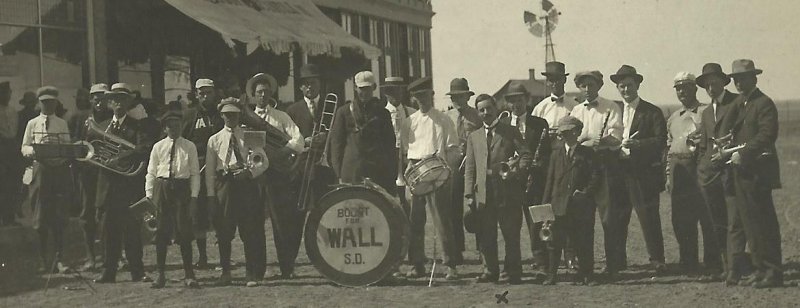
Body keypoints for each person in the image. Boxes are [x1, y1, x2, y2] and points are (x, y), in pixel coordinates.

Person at [719, 59, 782, 288]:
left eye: (743, 78)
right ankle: (759, 268)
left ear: (754, 78)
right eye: (735, 79)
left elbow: (767, 136)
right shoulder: (742, 103)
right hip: (742, 172)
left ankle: (773, 272)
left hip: (758, 172)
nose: (738, 83)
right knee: (749, 224)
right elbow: (730, 130)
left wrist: (742, 154)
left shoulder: (763, 103)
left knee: (763, 223)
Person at [464, 94, 532, 284]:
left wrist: (515, 171)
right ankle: (490, 271)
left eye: (489, 108)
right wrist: (469, 194)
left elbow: (526, 155)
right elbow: (470, 168)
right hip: (484, 193)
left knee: (510, 233)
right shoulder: (474, 137)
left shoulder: (510, 131)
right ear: (478, 113)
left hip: (507, 192)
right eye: (481, 110)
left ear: (496, 108)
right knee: (486, 235)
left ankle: (513, 271)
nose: (486, 113)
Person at [400, 77, 460, 280]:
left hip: (438, 172)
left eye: (425, 95)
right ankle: (417, 264)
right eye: (417, 97)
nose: (422, 100)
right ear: (413, 99)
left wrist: (444, 171)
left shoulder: (444, 120)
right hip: (416, 173)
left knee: (442, 220)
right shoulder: (410, 121)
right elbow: (406, 151)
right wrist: (410, 173)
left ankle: (450, 264)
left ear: (432, 95)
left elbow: (453, 149)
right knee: (415, 221)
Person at [609, 65, 667, 276]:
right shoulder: (612, 110)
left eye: (629, 86)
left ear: (638, 85)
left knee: (648, 217)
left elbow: (661, 140)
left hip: (642, 174)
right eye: (621, 86)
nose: (625, 90)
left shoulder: (652, 111)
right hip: (618, 172)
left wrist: (638, 145)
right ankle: (617, 261)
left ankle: (657, 260)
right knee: (617, 218)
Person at [205, 98, 269, 287]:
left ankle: (251, 274)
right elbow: (209, 171)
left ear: (239, 115)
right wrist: (210, 194)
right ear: (221, 115)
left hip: (245, 185)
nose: (230, 118)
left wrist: (250, 172)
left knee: (248, 230)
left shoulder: (249, 135)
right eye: (227, 115)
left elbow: (263, 161)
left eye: (234, 114)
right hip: (224, 185)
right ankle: (225, 272)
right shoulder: (214, 139)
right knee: (224, 230)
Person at [94, 83, 154, 284]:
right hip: (107, 187)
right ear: (110, 103)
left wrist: (120, 158)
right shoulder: (101, 127)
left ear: (128, 102)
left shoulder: (137, 126)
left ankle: (137, 271)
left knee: (132, 231)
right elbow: (91, 150)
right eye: (115, 99)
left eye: (122, 99)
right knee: (108, 231)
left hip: (128, 187)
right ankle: (108, 272)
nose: (118, 103)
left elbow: (144, 147)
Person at [250, 72, 306, 280]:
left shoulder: (281, 117)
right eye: (259, 93)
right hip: (254, 177)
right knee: (255, 223)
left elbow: (299, 140)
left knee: (281, 223)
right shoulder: (248, 117)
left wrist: (283, 151)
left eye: (266, 92)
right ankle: (258, 269)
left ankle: (286, 267)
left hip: (276, 175)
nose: (263, 96)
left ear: (271, 93)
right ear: (253, 95)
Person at [568, 70, 624, 280]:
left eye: (591, 85)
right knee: (583, 220)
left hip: (604, 165)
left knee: (608, 218)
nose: (587, 89)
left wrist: (601, 142)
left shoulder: (611, 107)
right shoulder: (575, 110)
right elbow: (572, 138)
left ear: (599, 85)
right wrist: (586, 142)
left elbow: (616, 137)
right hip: (582, 168)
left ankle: (612, 266)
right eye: (583, 85)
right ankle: (586, 268)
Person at [694, 63, 747, 280]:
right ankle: (726, 266)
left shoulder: (737, 103)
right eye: (707, 85)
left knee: (735, 221)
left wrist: (728, 154)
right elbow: (704, 146)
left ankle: (735, 269)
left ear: (724, 82)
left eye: (714, 83)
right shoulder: (707, 112)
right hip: (710, 176)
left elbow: (744, 135)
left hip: (733, 172)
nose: (710, 88)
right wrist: (702, 168)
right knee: (718, 222)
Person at [666, 72, 718, 274]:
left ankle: (713, 263)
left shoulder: (706, 111)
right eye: (678, 88)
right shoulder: (673, 118)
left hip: (702, 168)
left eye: (686, 87)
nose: (682, 92)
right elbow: (669, 147)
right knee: (681, 220)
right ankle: (688, 262)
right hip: (680, 172)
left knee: (707, 216)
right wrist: (668, 175)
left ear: (695, 88)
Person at [145, 111, 200, 288]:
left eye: (177, 124)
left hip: (182, 190)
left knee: (184, 232)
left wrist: (193, 197)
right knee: (161, 232)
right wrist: (149, 196)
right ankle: (160, 274)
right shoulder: (158, 147)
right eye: (170, 125)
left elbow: (195, 174)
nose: (174, 128)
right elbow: (151, 172)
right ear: (165, 127)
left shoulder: (189, 146)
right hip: (162, 189)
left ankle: (189, 274)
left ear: (181, 125)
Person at [20, 86, 73, 273]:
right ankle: (44, 260)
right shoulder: (32, 123)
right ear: (39, 103)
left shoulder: (61, 123)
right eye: (44, 102)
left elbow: (68, 146)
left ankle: (60, 259)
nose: (48, 105)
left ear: (56, 103)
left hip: (58, 171)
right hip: (40, 172)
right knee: (40, 217)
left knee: (58, 215)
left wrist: (59, 151)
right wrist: (35, 150)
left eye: (52, 102)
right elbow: (24, 147)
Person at [541, 116, 598, 285]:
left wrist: (585, 192)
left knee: (583, 240)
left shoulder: (588, 154)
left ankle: (587, 274)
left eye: (568, 132)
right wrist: (545, 208)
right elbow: (550, 182)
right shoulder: (555, 154)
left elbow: (596, 177)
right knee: (554, 242)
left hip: (580, 206)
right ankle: (551, 275)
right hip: (558, 205)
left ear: (577, 132)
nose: (564, 136)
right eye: (562, 133)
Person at [503, 81, 551, 270]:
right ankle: (514, 265)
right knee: (512, 226)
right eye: (512, 101)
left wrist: (537, 166)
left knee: (537, 223)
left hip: (534, 182)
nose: (516, 104)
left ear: (527, 100)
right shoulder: (503, 124)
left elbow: (546, 152)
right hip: (511, 183)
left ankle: (541, 263)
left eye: (520, 100)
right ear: (508, 103)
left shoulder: (539, 123)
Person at [329, 71, 396, 191]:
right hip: (351, 172)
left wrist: (390, 172)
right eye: (361, 89)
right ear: (355, 88)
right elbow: (336, 144)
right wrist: (339, 172)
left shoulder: (383, 113)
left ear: (374, 87)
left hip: (377, 172)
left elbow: (389, 144)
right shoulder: (343, 112)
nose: (364, 93)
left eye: (367, 89)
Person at [183, 78, 224, 270]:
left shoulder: (222, 115)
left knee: (221, 213)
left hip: (220, 171)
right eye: (202, 93)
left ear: (214, 93)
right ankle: (203, 257)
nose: (205, 96)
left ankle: (225, 254)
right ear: (196, 94)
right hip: (198, 172)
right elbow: (183, 142)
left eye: (208, 92)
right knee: (199, 215)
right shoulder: (189, 116)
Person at [443, 77, 481, 258]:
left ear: (468, 96)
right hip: (453, 166)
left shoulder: (477, 115)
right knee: (452, 207)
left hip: (473, 164)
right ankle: (457, 249)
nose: (457, 100)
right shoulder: (446, 117)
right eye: (454, 97)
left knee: (478, 206)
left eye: (461, 96)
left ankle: (483, 249)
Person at [76, 83, 110, 271]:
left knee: (107, 214)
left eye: (103, 97)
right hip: (88, 174)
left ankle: (110, 255)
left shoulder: (114, 119)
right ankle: (91, 258)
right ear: (90, 99)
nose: (99, 100)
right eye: (96, 97)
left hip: (107, 173)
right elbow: (75, 145)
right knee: (87, 214)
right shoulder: (81, 119)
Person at [382, 76, 416, 215]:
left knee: (412, 204)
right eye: (391, 91)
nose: (395, 95)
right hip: (389, 162)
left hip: (408, 161)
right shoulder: (380, 114)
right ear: (385, 93)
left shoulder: (412, 113)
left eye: (398, 91)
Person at [531, 61, 578, 127]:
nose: (555, 84)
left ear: (564, 80)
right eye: (551, 80)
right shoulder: (540, 108)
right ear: (547, 82)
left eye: (558, 79)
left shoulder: (575, 106)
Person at [0, 81, 20, 227]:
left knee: (11, 183)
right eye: (4, 93)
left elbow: (15, 132)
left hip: (11, 149)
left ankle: (9, 217)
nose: (7, 95)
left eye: (8, 93)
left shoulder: (13, 111)